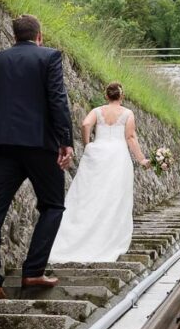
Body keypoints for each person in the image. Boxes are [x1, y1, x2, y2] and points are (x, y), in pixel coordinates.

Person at [0, 14, 74, 301]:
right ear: (39, 36)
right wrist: (65, 141)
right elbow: (57, 100)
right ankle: (33, 271)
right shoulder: (49, 57)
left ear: (14, 36)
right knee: (53, 205)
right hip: (40, 145)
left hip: (1, 146)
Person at [49, 82, 150, 263]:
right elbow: (130, 137)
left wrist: (88, 144)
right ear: (121, 96)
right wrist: (141, 159)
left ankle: (73, 237)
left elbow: (85, 124)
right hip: (118, 156)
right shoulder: (127, 113)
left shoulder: (97, 111)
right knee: (114, 198)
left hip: (98, 153)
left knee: (89, 195)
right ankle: (107, 237)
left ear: (106, 95)